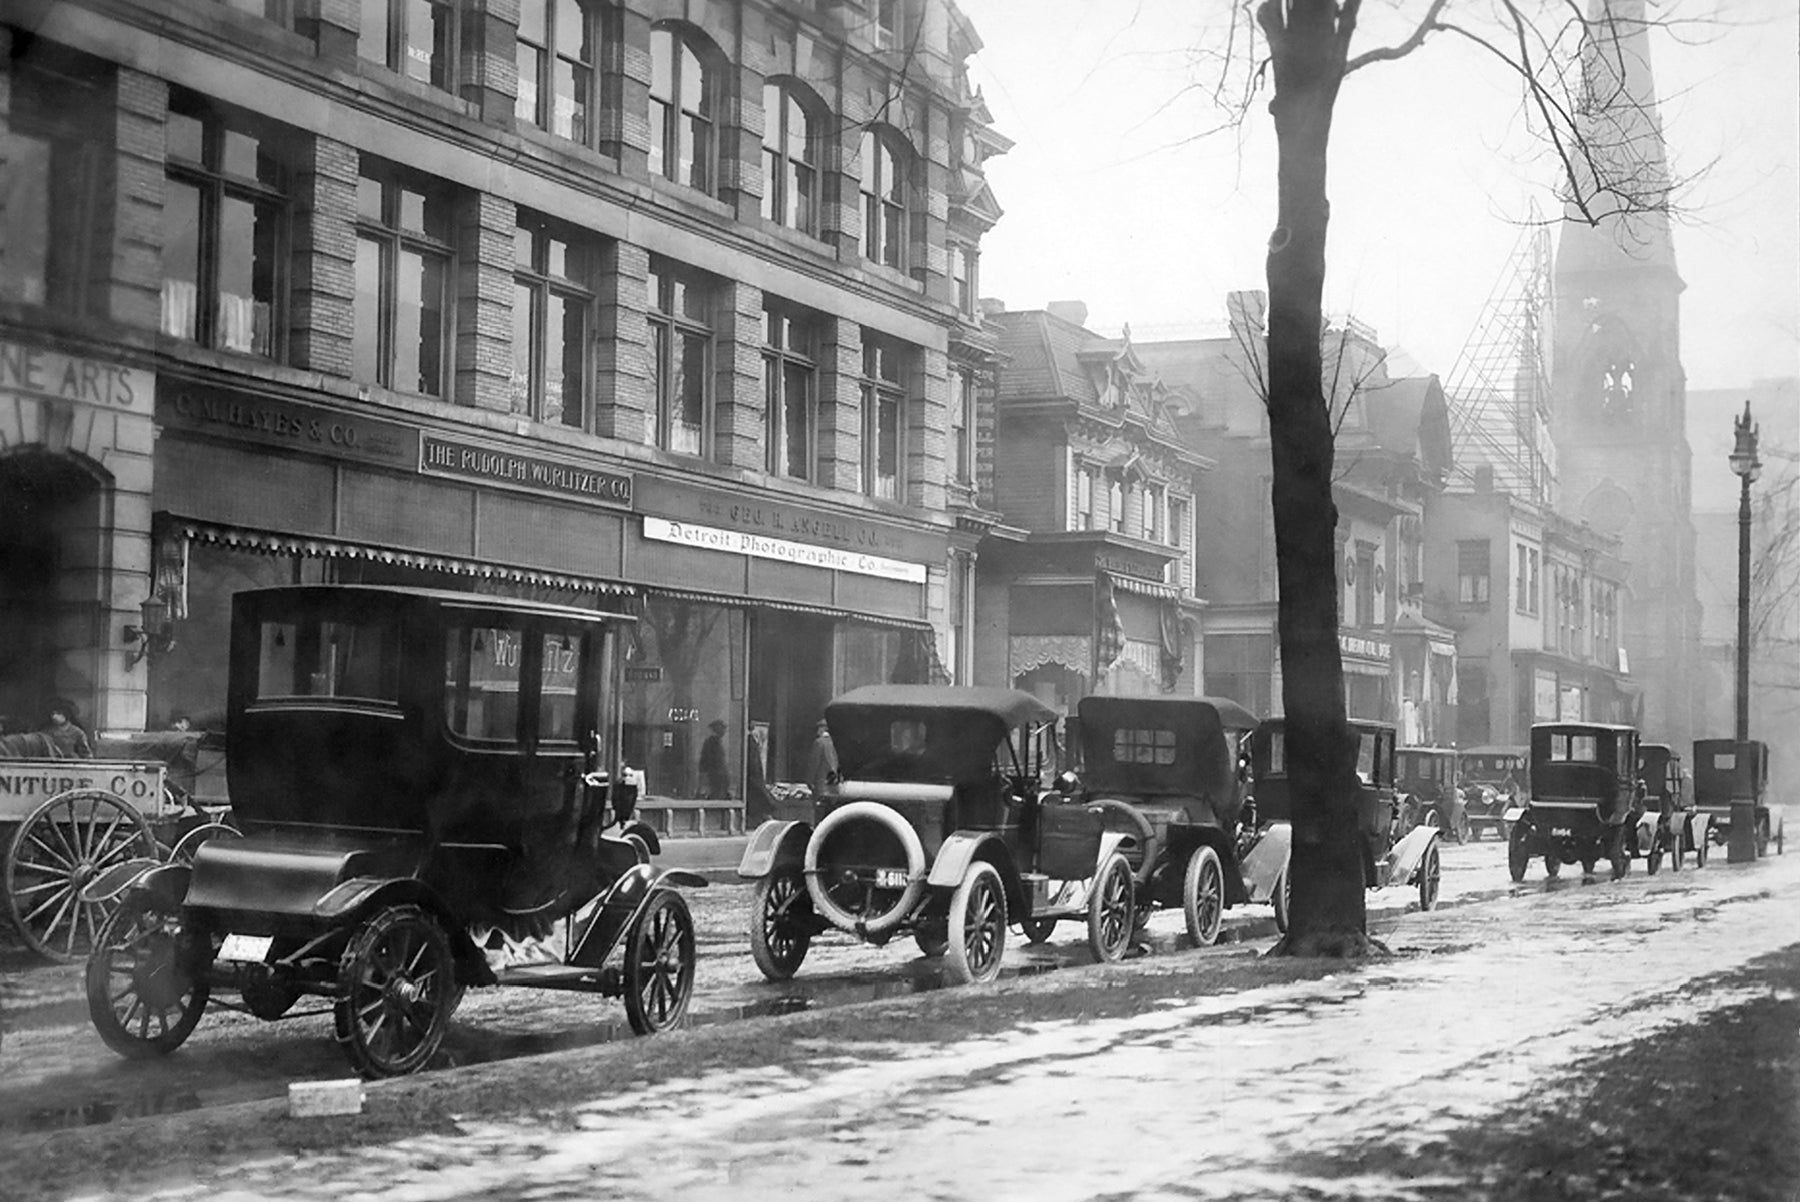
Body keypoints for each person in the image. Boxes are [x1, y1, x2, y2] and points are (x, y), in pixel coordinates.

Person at [697, 719, 731, 800]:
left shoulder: (718, 742)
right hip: (715, 777)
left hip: (719, 778)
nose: (724, 731)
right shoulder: (711, 742)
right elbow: (707, 761)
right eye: (723, 728)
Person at [806, 718, 838, 797]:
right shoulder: (835, 743)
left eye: (819, 728)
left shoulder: (819, 742)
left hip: (821, 781)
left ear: (823, 729)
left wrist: (810, 780)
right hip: (834, 782)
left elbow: (814, 762)